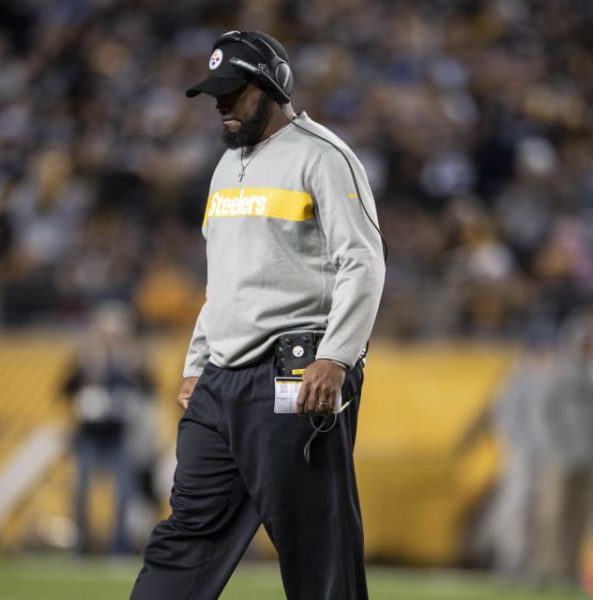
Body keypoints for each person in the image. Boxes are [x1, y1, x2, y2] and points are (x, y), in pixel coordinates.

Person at [130, 30, 386, 600]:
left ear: (273, 86)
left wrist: (336, 357)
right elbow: (222, 282)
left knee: (314, 543)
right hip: (220, 381)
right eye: (214, 94)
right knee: (188, 533)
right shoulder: (225, 168)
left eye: (233, 92)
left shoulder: (323, 156)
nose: (220, 105)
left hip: (294, 373)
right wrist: (197, 363)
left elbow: (364, 264)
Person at [61, 303, 153, 555]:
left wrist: (134, 368)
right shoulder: (86, 357)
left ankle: (119, 546)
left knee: (124, 492)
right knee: (80, 490)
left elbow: (150, 389)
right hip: (89, 435)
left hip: (119, 435)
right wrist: (85, 370)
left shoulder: (131, 358)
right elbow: (64, 390)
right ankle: (81, 545)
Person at [536, 320, 593, 586]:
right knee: (553, 516)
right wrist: (558, 446)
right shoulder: (558, 377)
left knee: (580, 518)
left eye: (587, 343)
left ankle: (571, 570)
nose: (584, 348)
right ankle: (548, 568)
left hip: (589, 459)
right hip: (561, 458)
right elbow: (545, 415)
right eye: (581, 343)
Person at [489, 322, 556, 580]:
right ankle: (510, 562)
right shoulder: (519, 375)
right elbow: (503, 413)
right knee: (515, 508)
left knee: (544, 512)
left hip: (549, 455)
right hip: (521, 452)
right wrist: (515, 443)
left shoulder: (556, 377)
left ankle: (538, 565)